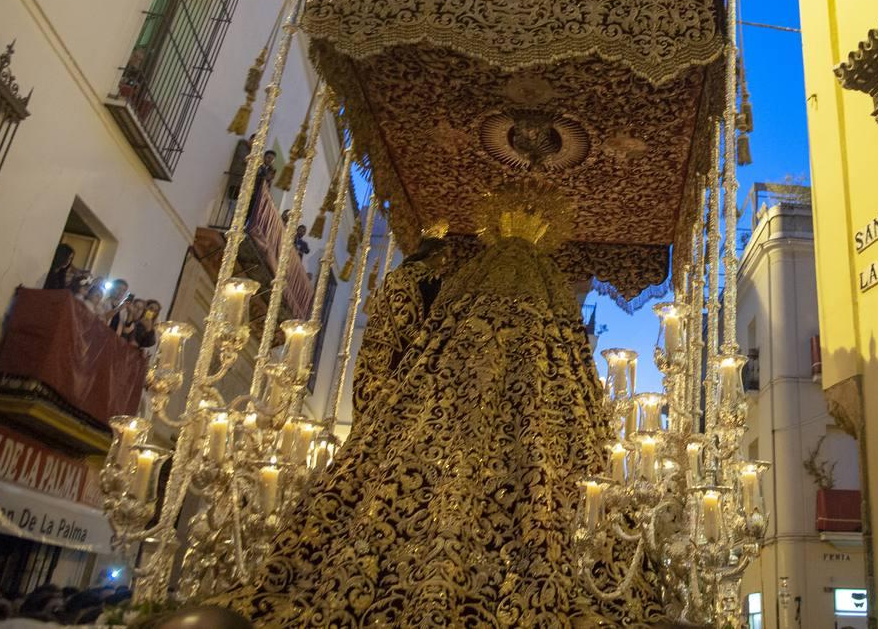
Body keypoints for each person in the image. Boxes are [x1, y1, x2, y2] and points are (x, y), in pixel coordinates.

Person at [208, 185, 668, 626]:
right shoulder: (555, 353)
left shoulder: (442, 305)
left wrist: (380, 425)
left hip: (426, 456)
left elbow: (381, 353)